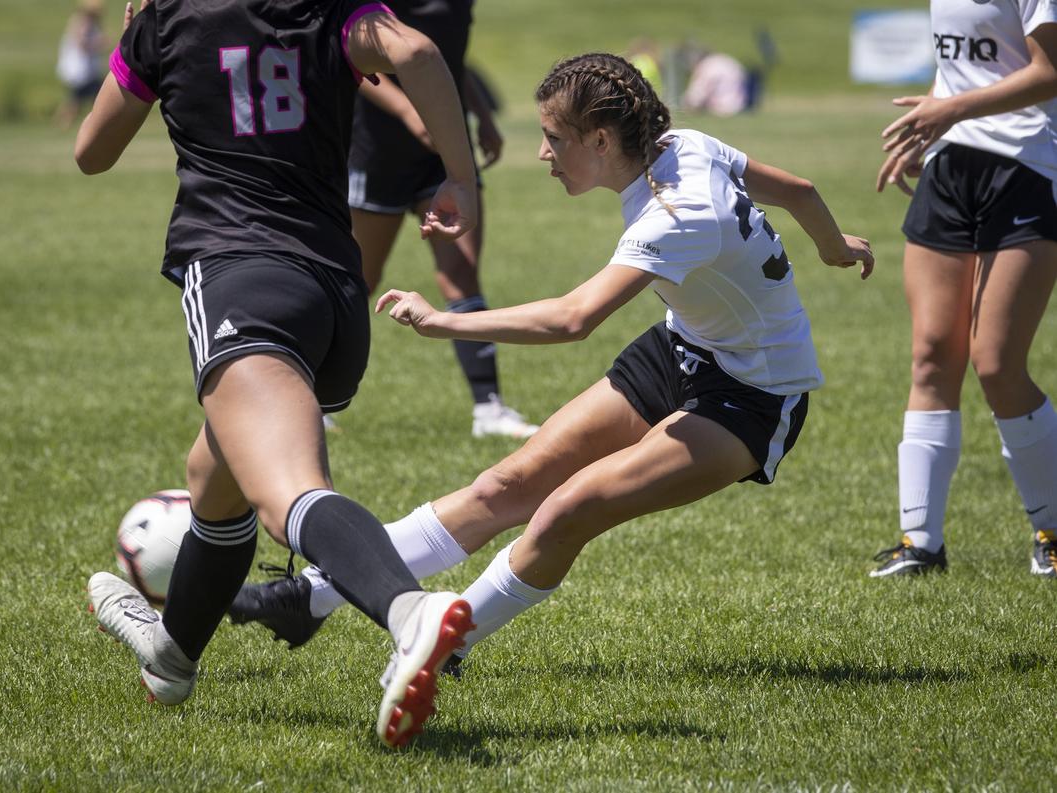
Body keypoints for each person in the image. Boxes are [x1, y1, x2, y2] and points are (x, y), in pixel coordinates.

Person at [228, 52, 874, 670]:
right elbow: (801, 190)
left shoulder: (675, 215)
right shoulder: (686, 146)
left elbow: (573, 318)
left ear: (598, 140)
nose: (542, 154)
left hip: (756, 395)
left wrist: (445, 320)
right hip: (684, 348)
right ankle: (310, 597)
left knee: (569, 509)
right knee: (501, 488)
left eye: (553, 139)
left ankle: (442, 643)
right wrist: (834, 247)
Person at [76, 0, 481, 747]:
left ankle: (409, 613)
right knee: (215, 474)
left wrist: (140, 42)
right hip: (335, 294)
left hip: (241, 276)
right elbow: (419, 53)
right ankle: (172, 655)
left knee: (287, 491)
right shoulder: (328, 9)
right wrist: (459, 177)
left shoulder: (167, 18)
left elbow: (91, 150)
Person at [870, 0, 1057, 577]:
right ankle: (919, 543)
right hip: (951, 171)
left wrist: (948, 111)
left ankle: (1051, 530)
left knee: (997, 363)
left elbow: (1048, 72)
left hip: (1027, 171)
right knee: (931, 354)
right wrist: (926, 132)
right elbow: (956, 72)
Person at [344, 0, 539, 439]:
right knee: (359, 281)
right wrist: (406, 109)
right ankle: (315, 400)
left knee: (463, 274)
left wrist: (483, 117)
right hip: (378, 151)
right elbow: (344, 54)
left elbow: (446, 57)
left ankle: (488, 409)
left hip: (445, 149)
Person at [54, 0, 108, 129]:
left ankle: (63, 124)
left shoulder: (89, 24)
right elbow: (82, 44)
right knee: (76, 101)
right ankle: (62, 124)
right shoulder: (82, 23)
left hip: (86, 70)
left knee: (82, 99)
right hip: (79, 70)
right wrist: (99, 43)